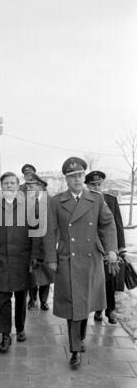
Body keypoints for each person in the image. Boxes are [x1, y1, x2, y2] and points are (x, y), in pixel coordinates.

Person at [44, 157, 118, 370]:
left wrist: (111, 249)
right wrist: (51, 258)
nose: (77, 179)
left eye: (79, 175)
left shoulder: (96, 199)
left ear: (83, 176)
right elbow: (50, 232)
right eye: (72, 176)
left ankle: (80, 338)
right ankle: (75, 349)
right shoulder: (56, 202)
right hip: (68, 258)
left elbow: (107, 224)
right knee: (72, 304)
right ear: (66, 179)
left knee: (84, 304)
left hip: (91, 258)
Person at [0, 171, 42, 353]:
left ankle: (20, 328)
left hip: (22, 259)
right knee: (3, 297)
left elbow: (36, 231)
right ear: (1, 187)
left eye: (12, 183)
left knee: (20, 297)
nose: (9, 186)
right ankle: (5, 335)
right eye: (6, 183)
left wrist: (34, 256)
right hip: (1, 259)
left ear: (18, 186)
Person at [85, 171, 126, 324]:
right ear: (87, 185)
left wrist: (119, 249)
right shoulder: (84, 201)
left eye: (99, 184)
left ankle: (110, 311)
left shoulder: (110, 200)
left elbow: (117, 225)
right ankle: (97, 309)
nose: (96, 187)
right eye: (92, 184)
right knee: (95, 280)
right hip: (92, 248)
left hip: (109, 249)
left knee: (109, 281)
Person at [25, 172, 54, 311]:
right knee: (31, 273)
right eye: (28, 186)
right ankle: (32, 299)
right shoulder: (26, 202)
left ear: (41, 186)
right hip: (30, 244)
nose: (29, 189)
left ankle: (44, 300)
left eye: (32, 186)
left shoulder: (52, 202)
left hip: (46, 244)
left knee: (45, 274)